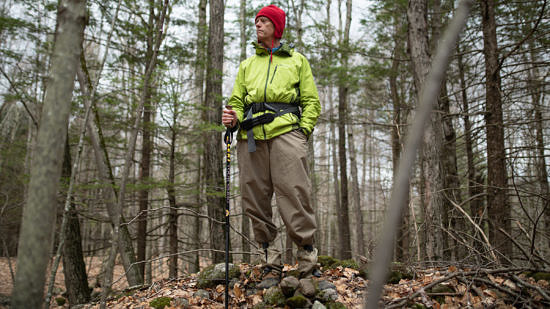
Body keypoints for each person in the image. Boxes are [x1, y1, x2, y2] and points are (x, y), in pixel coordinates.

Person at [222, 4, 322, 281]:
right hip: (250, 138)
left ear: (277, 27)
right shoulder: (247, 65)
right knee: (255, 198)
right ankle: (270, 261)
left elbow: (311, 101)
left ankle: (307, 260)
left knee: (294, 194)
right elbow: (238, 101)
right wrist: (232, 116)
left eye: (264, 21)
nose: (258, 25)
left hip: (287, 134)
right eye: (257, 21)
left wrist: (303, 131)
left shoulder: (297, 61)